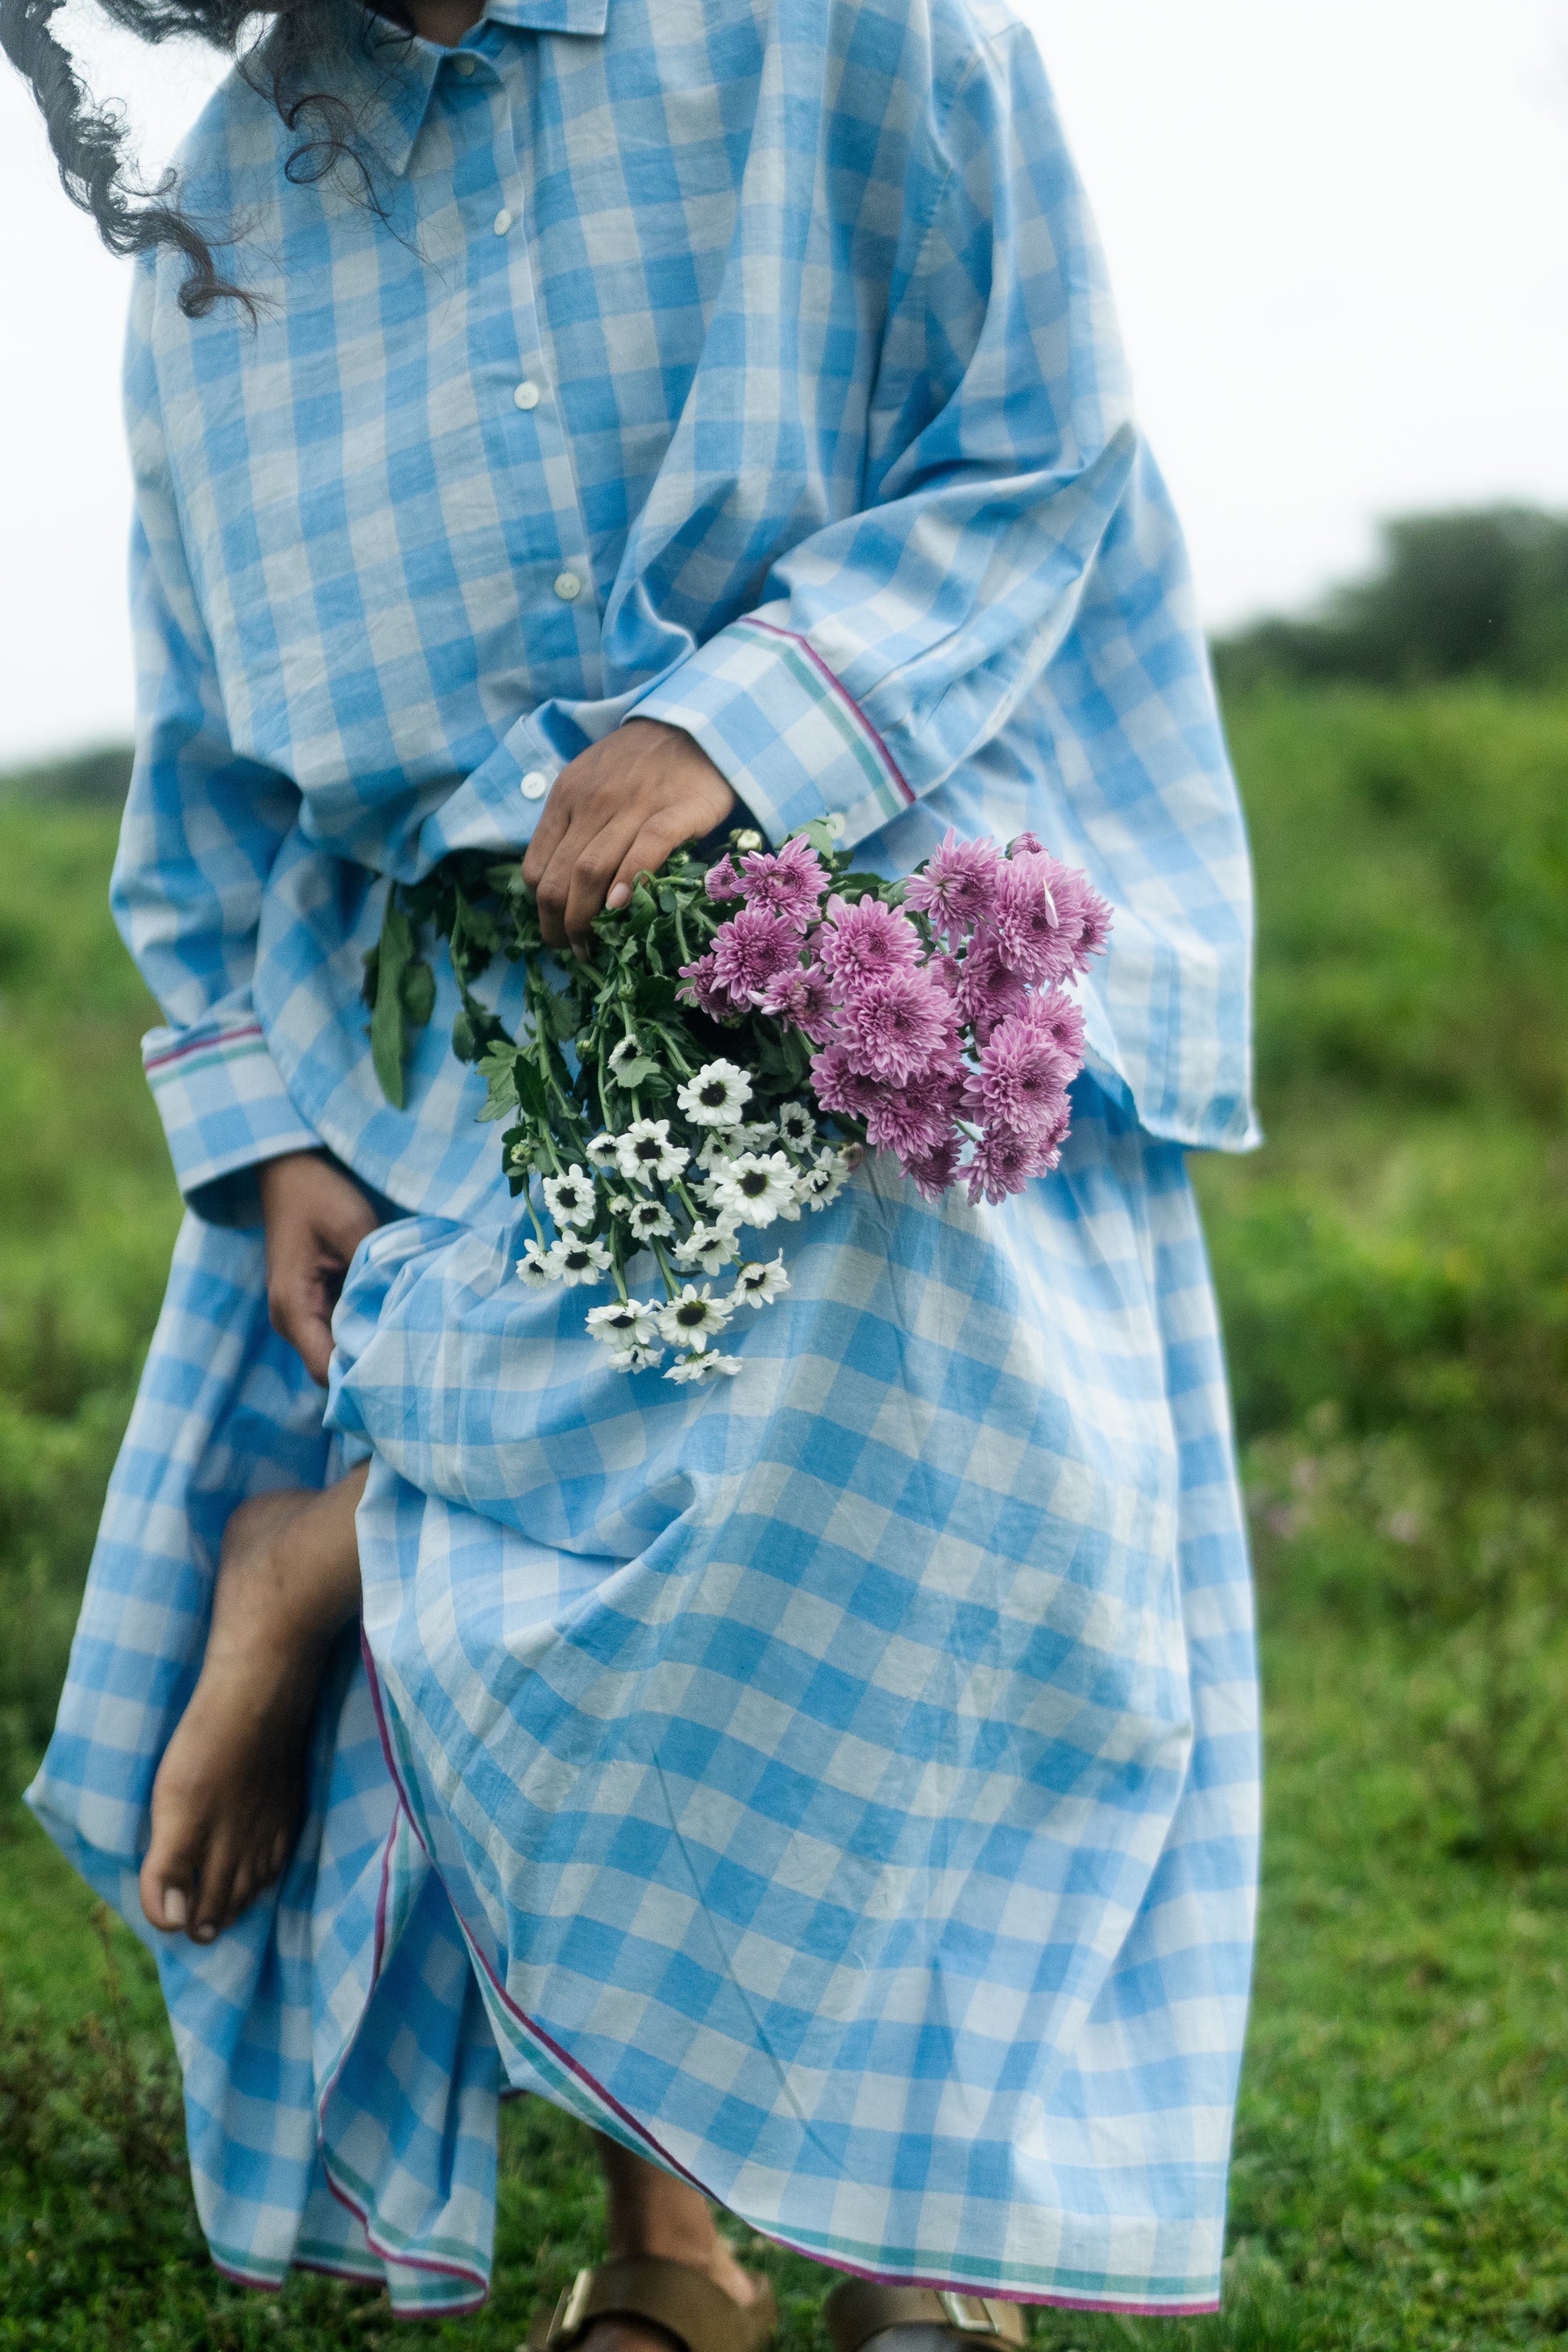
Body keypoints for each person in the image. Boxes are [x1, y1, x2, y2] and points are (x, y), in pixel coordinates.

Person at [6, 0, 1261, 2330]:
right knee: (573, 1610)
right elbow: (203, 709)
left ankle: (914, 2249)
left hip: (897, 875)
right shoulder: (229, 213)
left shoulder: (851, 36)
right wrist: (252, 1109)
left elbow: (1033, 438)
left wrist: (737, 723)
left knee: (956, 1524)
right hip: (455, 997)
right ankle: (662, 2246)